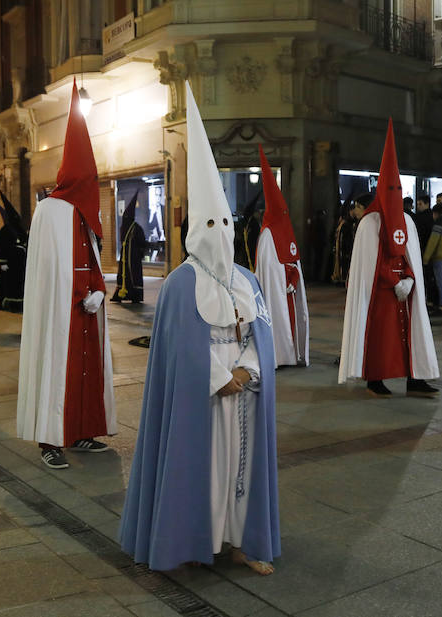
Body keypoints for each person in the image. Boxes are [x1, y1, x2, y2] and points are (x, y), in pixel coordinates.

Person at [120, 81, 279, 576]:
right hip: (206, 398)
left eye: (226, 223)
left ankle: (239, 542)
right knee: (203, 469)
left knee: (242, 471)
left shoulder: (247, 278)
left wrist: (248, 371)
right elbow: (179, 351)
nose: (222, 234)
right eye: (210, 225)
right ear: (193, 229)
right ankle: (196, 540)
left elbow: (261, 333)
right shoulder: (178, 283)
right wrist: (220, 377)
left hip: (244, 394)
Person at [17, 81, 117, 470]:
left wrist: (97, 291)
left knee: (86, 370)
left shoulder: (86, 211)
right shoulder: (49, 211)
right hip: (60, 312)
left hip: (86, 310)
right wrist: (71, 296)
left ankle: (81, 430)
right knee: (57, 367)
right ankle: (50, 439)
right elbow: (46, 272)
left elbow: (91, 259)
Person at [339, 119, 439, 399]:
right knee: (382, 339)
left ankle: (415, 378)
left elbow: (410, 254)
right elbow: (372, 262)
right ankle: (375, 378)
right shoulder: (369, 223)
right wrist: (394, 280)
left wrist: (408, 278)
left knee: (410, 336)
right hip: (380, 294)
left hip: (404, 292)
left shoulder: (406, 220)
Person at [254, 144, 310, 367]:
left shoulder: (284, 230)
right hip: (277, 291)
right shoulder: (267, 234)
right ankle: (279, 354)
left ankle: (292, 353)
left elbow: (293, 262)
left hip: (288, 290)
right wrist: (282, 280)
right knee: (278, 320)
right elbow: (268, 268)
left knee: (291, 320)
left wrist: (292, 279)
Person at [110, 192, 149, 304]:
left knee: (133, 276)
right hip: (125, 258)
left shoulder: (136, 228)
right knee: (123, 276)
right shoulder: (125, 227)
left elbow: (142, 243)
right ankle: (121, 294)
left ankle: (135, 295)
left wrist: (139, 254)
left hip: (134, 259)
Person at [0, 191, 27, 312]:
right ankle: (10, 303)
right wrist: (2, 262)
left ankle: (20, 302)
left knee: (20, 283)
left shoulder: (20, 228)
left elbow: (25, 241)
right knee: (10, 283)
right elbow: (1, 246)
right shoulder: (5, 230)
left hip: (21, 263)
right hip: (11, 263)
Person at [422, 203, 442, 315]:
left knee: (441, 282)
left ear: (436, 213)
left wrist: (426, 257)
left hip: (439, 256)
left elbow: (433, 242)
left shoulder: (439, 222)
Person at [413, 193, 437, 306]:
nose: (418, 206)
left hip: (424, 249)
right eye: (417, 204)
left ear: (427, 204)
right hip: (427, 250)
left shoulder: (422, 218)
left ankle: (430, 300)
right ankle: (430, 300)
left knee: (427, 277)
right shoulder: (431, 217)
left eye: (420, 204)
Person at [236, 192, 262, 272]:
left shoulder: (249, 223)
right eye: (259, 212)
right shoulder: (253, 225)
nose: (260, 214)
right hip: (248, 262)